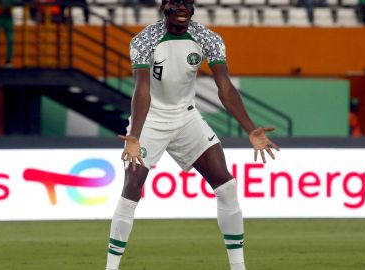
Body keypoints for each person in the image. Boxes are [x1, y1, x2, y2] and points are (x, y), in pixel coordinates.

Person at [105, 0, 280, 269]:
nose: (183, 8)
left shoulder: (207, 38)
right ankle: (111, 267)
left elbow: (224, 87)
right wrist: (135, 136)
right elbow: (142, 89)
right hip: (151, 119)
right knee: (131, 189)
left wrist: (250, 127)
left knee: (227, 186)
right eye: (176, 3)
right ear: (165, 7)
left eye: (188, 3)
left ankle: (238, 266)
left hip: (186, 117)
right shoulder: (145, 40)